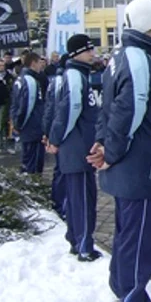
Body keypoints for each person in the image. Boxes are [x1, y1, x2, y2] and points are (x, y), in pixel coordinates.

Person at [86, 0, 151, 302]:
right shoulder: (139, 59)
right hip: (139, 166)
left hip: (128, 165)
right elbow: (130, 112)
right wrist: (110, 151)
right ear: (145, 27)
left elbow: (106, 107)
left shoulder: (120, 56)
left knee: (126, 236)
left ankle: (122, 294)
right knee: (141, 241)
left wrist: (101, 144)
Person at [48, 35, 102, 262]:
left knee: (78, 196)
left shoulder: (78, 74)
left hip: (77, 146)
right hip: (78, 147)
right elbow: (70, 109)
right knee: (82, 199)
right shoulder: (75, 75)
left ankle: (75, 238)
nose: (93, 54)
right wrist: (56, 138)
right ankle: (83, 245)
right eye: (88, 50)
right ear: (76, 53)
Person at [10, 52, 46, 174]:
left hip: (28, 127)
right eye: (39, 62)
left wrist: (16, 123)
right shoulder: (30, 81)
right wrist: (19, 124)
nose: (41, 65)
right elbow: (26, 106)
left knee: (27, 159)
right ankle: (32, 187)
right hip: (32, 127)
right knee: (33, 162)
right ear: (33, 63)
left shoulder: (20, 78)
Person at [42, 54, 68, 219]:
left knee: (59, 170)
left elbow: (49, 108)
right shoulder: (64, 81)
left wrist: (47, 131)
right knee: (62, 170)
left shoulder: (55, 81)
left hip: (55, 129)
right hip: (62, 132)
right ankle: (60, 204)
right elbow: (57, 110)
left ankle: (58, 202)